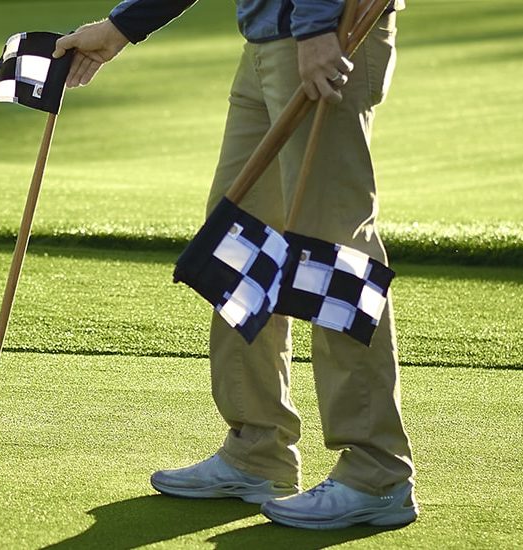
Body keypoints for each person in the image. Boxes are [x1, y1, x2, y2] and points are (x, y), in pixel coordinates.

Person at [53, 0, 417, 530]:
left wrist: (315, 28)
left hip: (330, 31)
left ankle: (376, 473)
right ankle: (258, 451)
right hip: (268, 40)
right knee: (239, 241)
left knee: (332, 255)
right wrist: (121, 26)